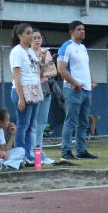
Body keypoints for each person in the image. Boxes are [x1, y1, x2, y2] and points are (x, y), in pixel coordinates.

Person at [57, 20, 96, 161]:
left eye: (83, 29)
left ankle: (81, 150)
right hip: (73, 90)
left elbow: (86, 66)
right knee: (71, 121)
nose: (82, 31)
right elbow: (61, 69)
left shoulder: (84, 48)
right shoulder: (66, 47)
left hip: (86, 90)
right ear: (71, 31)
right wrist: (75, 83)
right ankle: (66, 151)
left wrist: (92, 81)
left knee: (83, 121)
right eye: (79, 29)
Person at [8, 23, 42, 167]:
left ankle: (29, 155)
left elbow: (35, 71)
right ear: (20, 36)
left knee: (31, 126)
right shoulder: (17, 52)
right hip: (22, 91)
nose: (31, 36)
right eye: (28, 33)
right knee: (23, 125)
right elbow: (17, 76)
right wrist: (21, 98)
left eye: (32, 33)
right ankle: (20, 155)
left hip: (34, 91)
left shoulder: (31, 51)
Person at [30, 30, 59, 165]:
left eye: (39, 38)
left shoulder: (46, 53)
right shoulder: (27, 53)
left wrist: (44, 70)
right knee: (32, 123)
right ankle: (31, 153)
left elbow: (54, 71)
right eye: (34, 38)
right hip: (31, 90)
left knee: (41, 123)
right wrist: (42, 69)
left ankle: (39, 153)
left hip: (45, 89)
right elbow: (34, 72)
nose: (37, 40)